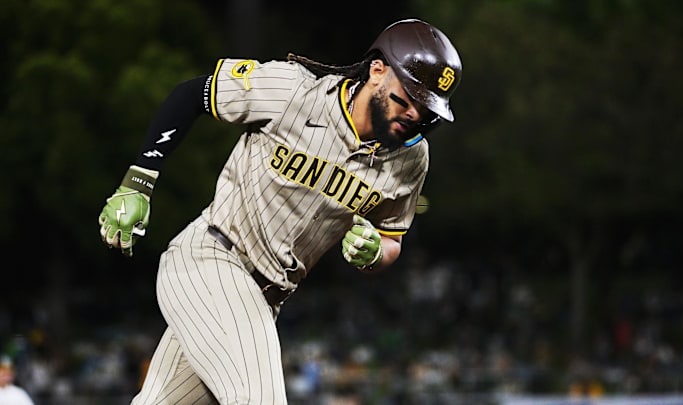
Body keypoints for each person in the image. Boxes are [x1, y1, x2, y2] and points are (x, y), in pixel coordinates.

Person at [98, 18, 461, 404]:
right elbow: (194, 94)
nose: (414, 116)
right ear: (376, 70)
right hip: (210, 259)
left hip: (265, 300)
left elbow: (392, 238)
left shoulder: (411, 158)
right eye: (406, 99)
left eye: (426, 109)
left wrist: (375, 254)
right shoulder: (294, 91)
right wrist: (138, 182)